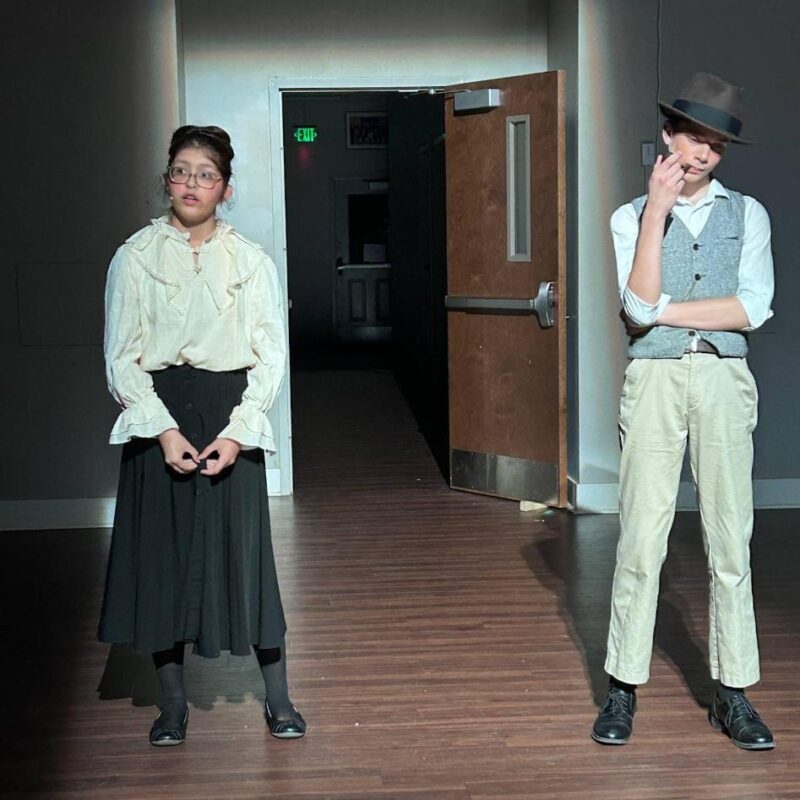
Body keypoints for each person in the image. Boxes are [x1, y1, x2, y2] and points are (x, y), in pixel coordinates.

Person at [99, 124, 305, 746]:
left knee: (246, 557)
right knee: (162, 562)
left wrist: (238, 434)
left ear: (226, 188)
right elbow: (121, 357)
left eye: (206, 174)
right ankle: (172, 704)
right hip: (157, 417)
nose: (193, 183)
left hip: (228, 413)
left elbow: (270, 357)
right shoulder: (134, 257)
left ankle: (279, 699)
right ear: (167, 180)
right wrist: (161, 429)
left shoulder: (251, 262)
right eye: (182, 171)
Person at [591, 74, 775, 749]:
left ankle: (733, 692)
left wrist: (662, 312)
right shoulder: (629, 217)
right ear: (667, 136)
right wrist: (656, 213)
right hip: (655, 380)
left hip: (724, 379)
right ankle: (621, 686)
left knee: (731, 538)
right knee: (642, 537)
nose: (701, 155)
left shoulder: (748, 215)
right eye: (693, 139)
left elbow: (752, 308)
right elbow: (635, 306)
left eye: (715, 146)